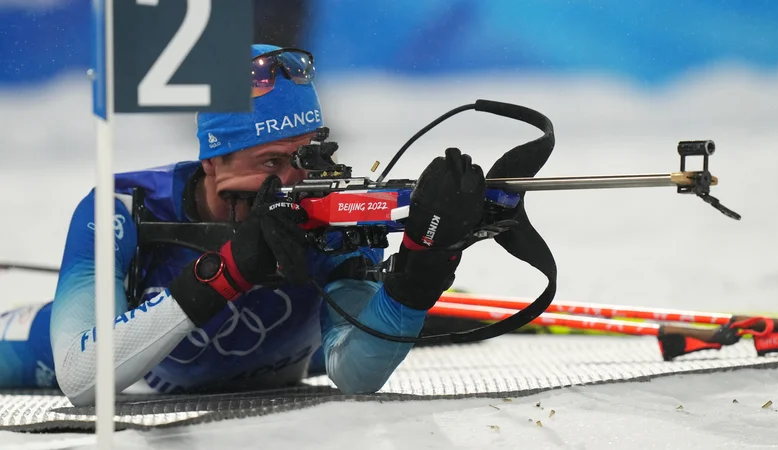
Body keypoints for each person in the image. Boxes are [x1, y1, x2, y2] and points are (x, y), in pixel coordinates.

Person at [0, 44, 487, 406]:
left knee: (422, 316)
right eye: (271, 162)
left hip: (299, 359)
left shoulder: (335, 209)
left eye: (306, 157)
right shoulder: (123, 208)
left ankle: (450, 305)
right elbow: (80, 376)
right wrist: (228, 272)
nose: (294, 182)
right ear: (211, 163)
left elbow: (355, 373)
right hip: (118, 354)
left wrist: (417, 280)